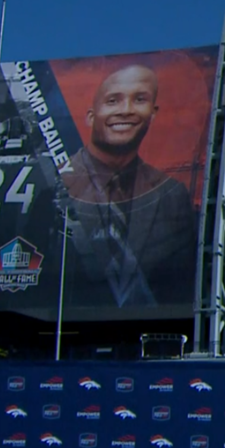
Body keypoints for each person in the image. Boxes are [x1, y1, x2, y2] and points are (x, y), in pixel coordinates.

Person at [61, 63, 196, 308]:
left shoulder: (171, 194)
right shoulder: (57, 182)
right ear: (90, 116)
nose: (126, 111)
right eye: (113, 101)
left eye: (139, 99)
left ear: (153, 113)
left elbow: (181, 282)